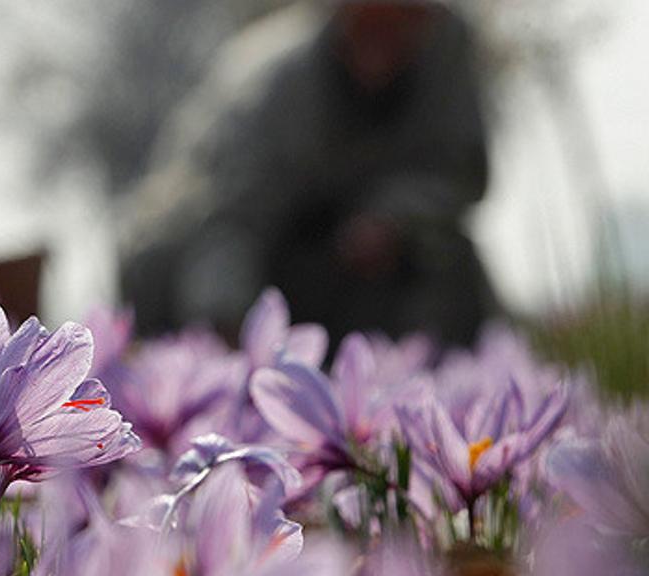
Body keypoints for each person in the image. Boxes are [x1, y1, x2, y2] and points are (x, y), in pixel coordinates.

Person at [122, 0, 495, 349]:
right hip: (214, 237)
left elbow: (459, 171)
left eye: (403, 19)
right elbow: (228, 223)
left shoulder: (446, 50)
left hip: (343, 249)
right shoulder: (278, 85)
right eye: (371, 20)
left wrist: (394, 217)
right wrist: (234, 331)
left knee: (452, 260)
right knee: (164, 268)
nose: (386, 37)